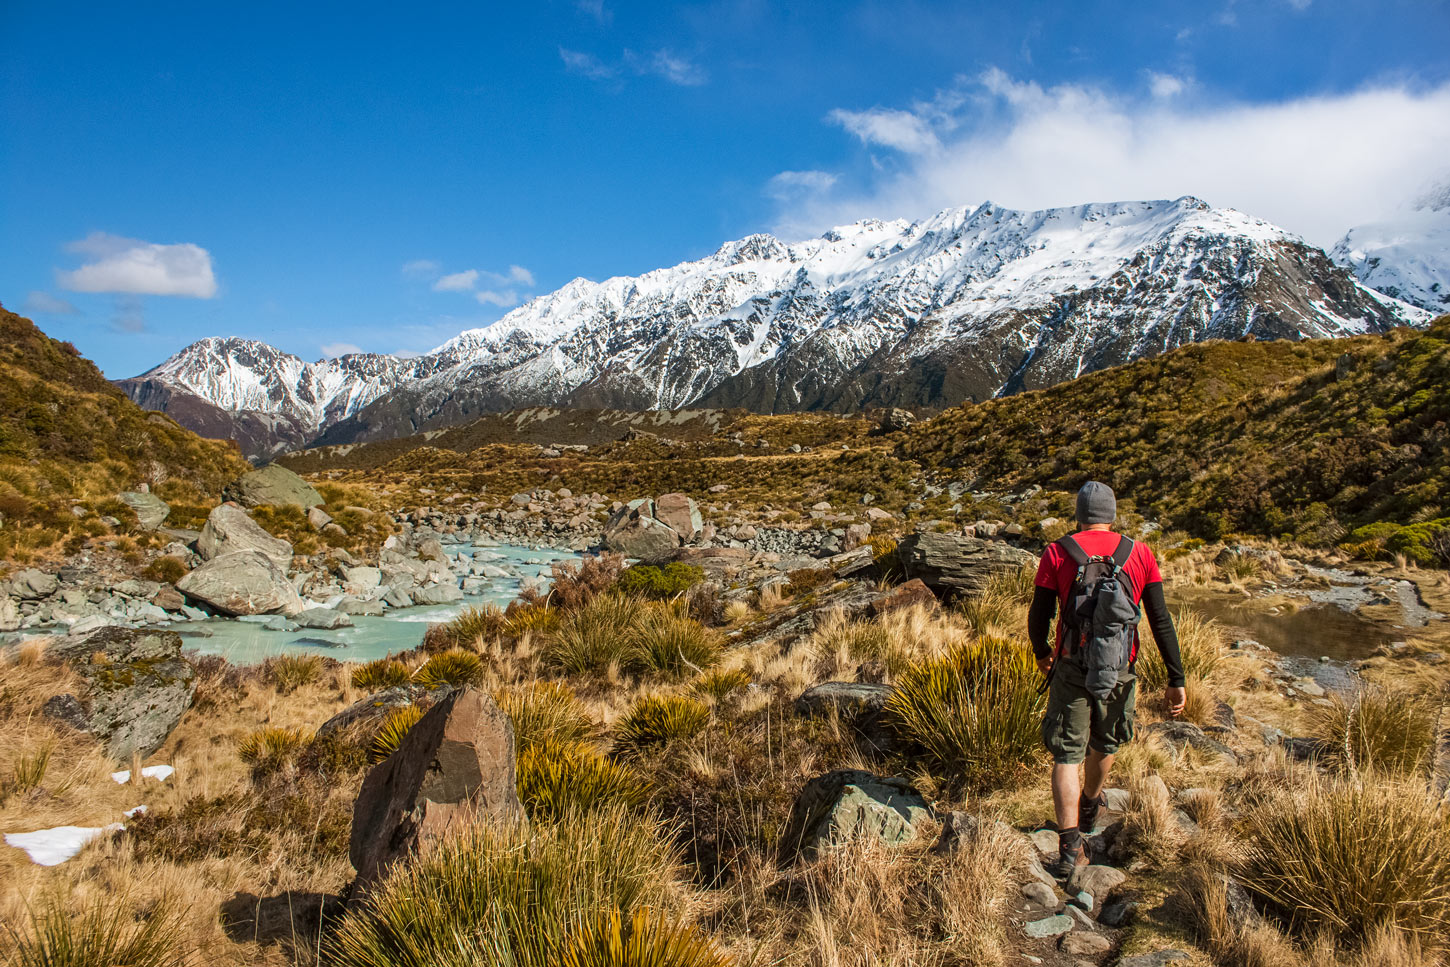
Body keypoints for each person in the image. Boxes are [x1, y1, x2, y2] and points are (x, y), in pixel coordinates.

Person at [1027, 481, 1186, 879]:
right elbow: (1160, 619)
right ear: (1112, 514)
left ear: (1079, 514)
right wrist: (1175, 676)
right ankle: (1090, 804)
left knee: (1066, 755)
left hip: (1071, 666)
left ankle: (1069, 849)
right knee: (1106, 742)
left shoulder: (1056, 552)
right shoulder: (1140, 553)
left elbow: (1039, 614)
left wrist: (1043, 653)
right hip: (1119, 670)